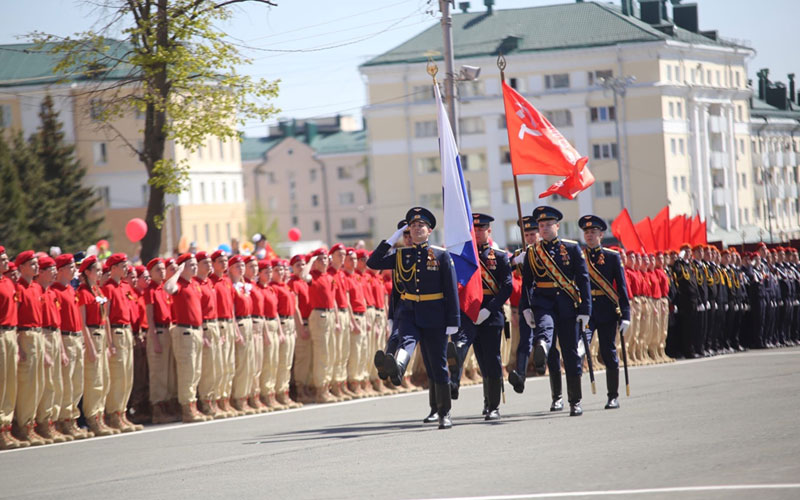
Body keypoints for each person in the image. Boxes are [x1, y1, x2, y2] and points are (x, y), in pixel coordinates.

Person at [367, 207, 460, 429]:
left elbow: (451, 290)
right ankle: (397, 367)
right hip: (409, 311)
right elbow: (373, 262)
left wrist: (452, 322)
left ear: (429, 231)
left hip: (435, 314)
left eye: (421, 226)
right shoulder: (401, 254)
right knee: (406, 341)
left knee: (438, 365)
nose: (417, 228)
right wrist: (394, 237)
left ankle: (444, 413)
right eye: (413, 226)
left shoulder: (440, 255)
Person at [514, 206, 591, 416]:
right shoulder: (532, 251)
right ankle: (556, 396)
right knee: (546, 338)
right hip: (543, 303)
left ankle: (575, 400)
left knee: (571, 353)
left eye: (549, 225)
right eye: (541, 225)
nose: (545, 228)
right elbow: (527, 283)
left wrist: (586, 310)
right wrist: (527, 308)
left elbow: (583, 280)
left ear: (557, 226)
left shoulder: (572, 248)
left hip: (568, 305)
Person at [448, 213, 512, 421]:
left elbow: (507, 287)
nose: (477, 232)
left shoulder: (499, 256)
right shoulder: (463, 256)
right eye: (474, 229)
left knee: (490, 362)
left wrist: (490, 309)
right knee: (459, 349)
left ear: (488, 231)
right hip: (468, 311)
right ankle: (452, 384)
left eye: (481, 229)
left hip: (490, 313)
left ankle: (492, 405)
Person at [578, 215, 630, 409]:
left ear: (601, 234)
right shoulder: (579, 257)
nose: (589, 236)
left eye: (593, 232)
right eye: (586, 232)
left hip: (607, 311)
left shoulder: (612, 256)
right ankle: (576, 399)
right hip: (587, 313)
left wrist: (626, 315)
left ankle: (612, 396)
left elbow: (622, 288)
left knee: (608, 352)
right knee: (580, 349)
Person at [51, 254, 92, 440]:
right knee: (65, 383)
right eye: (70, 267)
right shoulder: (55, 291)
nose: (75, 270)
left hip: (76, 338)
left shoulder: (70, 290)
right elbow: (56, 323)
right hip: (66, 337)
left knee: (77, 382)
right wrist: (60, 348)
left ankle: (72, 419)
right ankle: (63, 420)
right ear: (60, 270)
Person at [12, 251, 49, 445]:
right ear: (22, 267)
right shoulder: (18, 288)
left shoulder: (36, 288)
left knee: (38, 382)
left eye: (36, 264)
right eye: (32, 264)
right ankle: (22, 425)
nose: (36, 267)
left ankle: (31, 423)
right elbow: (15, 317)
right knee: (27, 383)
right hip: (24, 334)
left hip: (38, 334)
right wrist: (18, 345)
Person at [102, 253, 142, 432]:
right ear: (113, 268)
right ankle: (113, 414)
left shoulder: (125, 286)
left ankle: (122, 412)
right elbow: (106, 317)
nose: (126, 268)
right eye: (122, 265)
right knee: (117, 375)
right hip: (116, 331)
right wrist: (109, 342)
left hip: (127, 331)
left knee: (127, 375)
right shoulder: (108, 288)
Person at [77, 256, 116, 437]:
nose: (100, 273)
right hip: (92, 334)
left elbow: (105, 318)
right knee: (94, 380)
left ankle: (100, 415)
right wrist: (90, 346)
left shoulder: (98, 290)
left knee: (104, 378)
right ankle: (92, 417)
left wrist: (110, 343)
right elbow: (83, 322)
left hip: (101, 334)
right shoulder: (83, 292)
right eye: (97, 270)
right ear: (87, 272)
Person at [35, 256, 70, 442]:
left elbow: (57, 323)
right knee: (47, 383)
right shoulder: (37, 291)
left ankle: (53, 422)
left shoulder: (51, 293)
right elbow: (38, 323)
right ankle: (43, 423)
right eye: (51, 269)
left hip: (56, 335)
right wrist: (45, 350)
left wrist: (62, 350)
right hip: (44, 335)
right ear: (40, 272)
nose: (55, 272)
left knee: (57, 382)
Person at [508, 215, 542, 393]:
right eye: (526, 235)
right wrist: (515, 261)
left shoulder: (545, 253)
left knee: (544, 339)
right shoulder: (518, 255)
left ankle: (542, 365)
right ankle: (520, 375)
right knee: (524, 341)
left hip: (544, 301)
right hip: (526, 302)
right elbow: (503, 271)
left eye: (532, 234)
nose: (529, 238)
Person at [1, 247, 27, 449]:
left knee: (10, 382)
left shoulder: (9, 283)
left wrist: (18, 343)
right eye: (1, 259)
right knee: (2, 382)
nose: (5, 262)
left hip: (10, 333)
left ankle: (7, 428)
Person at [306, 248, 339, 404]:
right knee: (322, 352)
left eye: (325, 258)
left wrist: (337, 319)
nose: (323, 261)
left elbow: (333, 299)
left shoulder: (329, 276)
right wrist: (311, 261)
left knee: (330, 351)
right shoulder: (313, 276)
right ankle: (320, 389)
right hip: (319, 315)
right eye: (320, 259)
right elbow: (303, 276)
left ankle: (326, 386)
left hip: (330, 314)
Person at [195, 251, 226, 419]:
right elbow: (196, 310)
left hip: (215, 325)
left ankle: (214, 399)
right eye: (205, 263)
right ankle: (206, 401)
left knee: (217, 367)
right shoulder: (197, 283)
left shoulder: (209, 283)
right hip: (206, 325)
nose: (208, 265)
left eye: (209, 262)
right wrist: (202, 332)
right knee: (208, 367)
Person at [210, 250, 239, 416]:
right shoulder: (211, 281)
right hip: (219, 323)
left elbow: (232, 307)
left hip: (229, 322)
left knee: (229, 365)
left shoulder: (227, 281)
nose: (223, 264)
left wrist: (234, 328)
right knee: (219, 365)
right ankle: (216, 400)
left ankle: (225, 400)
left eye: (225, 261)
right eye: (219, 261)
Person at [228, 254, 256, 415]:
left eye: (242, 266)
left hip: (248, 321)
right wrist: (236, 331)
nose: (241, 269)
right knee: (240, 363)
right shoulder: (231, 286)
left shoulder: (243, 286)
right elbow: (231, 310)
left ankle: (244, 397)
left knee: (249, 363)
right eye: (237, 266)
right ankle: (237, 397)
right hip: (238, 322)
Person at [287, 254, 313, 404]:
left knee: (308, 357)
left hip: (309, 320)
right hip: (301, 321)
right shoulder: (293, 282)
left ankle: (307, 387)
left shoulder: (303, 282)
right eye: (298, 265)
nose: (301, 267)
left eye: (303, 264)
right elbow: (295, 306)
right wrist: (300, 327)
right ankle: (300, 389)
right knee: (302, 358)